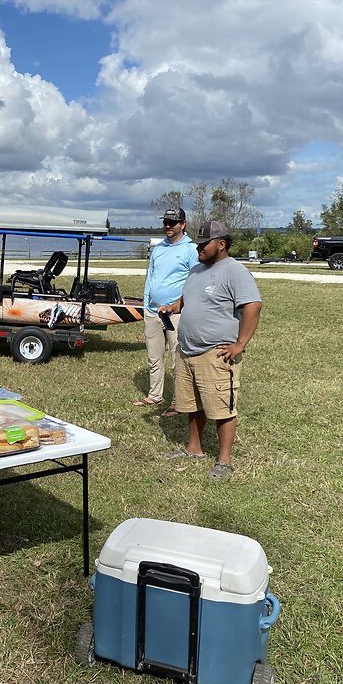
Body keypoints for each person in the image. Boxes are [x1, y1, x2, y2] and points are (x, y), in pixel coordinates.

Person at [157, 221, 262, 480]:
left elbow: (253, 306)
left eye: (204, 245)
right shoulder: (196, 270)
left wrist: (240, 344)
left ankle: (224, 461)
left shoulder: (235, 272)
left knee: (222, 407)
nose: (199, 249)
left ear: (221, 244)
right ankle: (194, 449)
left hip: (216, 352)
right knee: (193, 404)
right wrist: (174, 306)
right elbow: (189, 298)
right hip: (188, 349)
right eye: (198, 245)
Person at [134, 206, 198, 417]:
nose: (168, 226)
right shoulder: (159, 249)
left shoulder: (191, 250)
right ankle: (154, 395)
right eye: (165, 223)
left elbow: (195, 282)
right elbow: (149, 279)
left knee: (177, 359)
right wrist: (146, 307)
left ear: (183, 224)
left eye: (173, 223)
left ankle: (178, 402)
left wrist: (179, 306)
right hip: (153, 312)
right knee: (154, 358)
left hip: (177, 314)